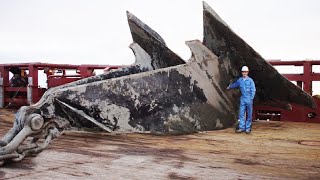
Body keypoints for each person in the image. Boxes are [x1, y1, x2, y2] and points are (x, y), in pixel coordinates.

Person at [227, 66, 256, 134]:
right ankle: (242, 127)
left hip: (249, 98)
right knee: (241, 114)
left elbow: (253, 90)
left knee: (249, 114)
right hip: (243, 98)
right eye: (243, 72)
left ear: (247, 72)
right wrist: (229, 86)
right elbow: (236, 84)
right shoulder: (240, 80)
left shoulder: (250, 81)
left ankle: (247, 128)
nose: (244, 73)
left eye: (245, 72)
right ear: (242, 72)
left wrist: (251, 98)